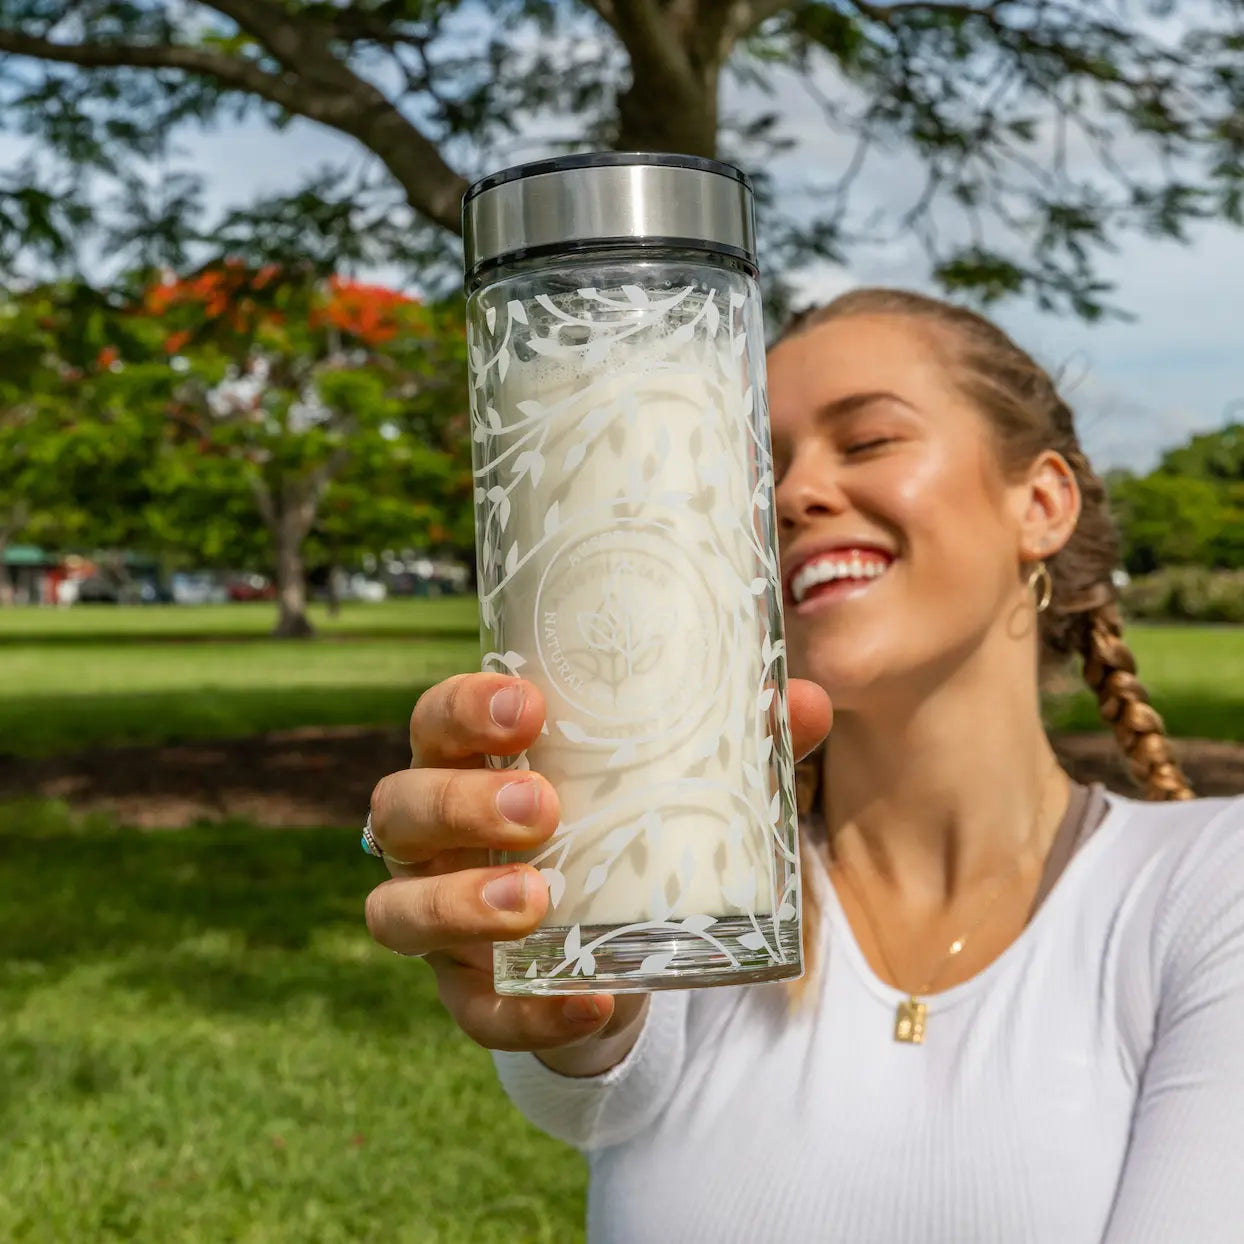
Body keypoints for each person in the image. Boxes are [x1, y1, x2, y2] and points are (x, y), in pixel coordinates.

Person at [363, 288, 1244, 1243]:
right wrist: (541, 953)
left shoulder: (1207, 888)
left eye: (866, 442)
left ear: (1039, 503)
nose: (789, 496)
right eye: (757, 469)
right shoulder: (693, 887)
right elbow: (595, 1058)